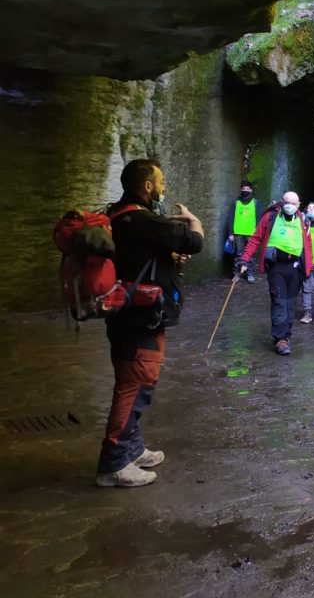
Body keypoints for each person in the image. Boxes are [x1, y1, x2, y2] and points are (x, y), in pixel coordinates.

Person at [96, 158, 204, 488]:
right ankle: (113, 465)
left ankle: (132, 448)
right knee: (136, 385)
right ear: (147, 186)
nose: (164, 187)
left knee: (135, 379)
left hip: (126, 314)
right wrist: (194, 221)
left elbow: (137, 258)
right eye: (161, 182)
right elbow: (193, 242)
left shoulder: (116, 216)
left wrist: (168, 259)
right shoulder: (144, 221)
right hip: (140, 317)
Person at [237, 191, 313, 356]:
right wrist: (244, 259)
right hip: (276, 267)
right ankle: (280, 340)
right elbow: (256, 238)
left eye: (294, 203)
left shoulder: (303, 220)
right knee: (279, 302)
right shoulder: (270, 218)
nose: (290, 206)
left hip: (295, 268)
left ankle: (286, 335)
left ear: (299, 205)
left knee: (290, 304)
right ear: (281, 202)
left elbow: (308, 245)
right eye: (287, 202)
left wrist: (309, 268)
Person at [226, 180, 259, 283]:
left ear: (251, 190)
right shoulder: (236, 202)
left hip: (251, 234)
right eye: (243, 189)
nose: (245, 191)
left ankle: (250, 273)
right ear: (240, 189)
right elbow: (230, 218)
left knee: (251, 255)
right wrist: (230, 233)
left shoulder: (256, 203)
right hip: (238, 233)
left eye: (247, 189)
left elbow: (259, 219)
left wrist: (258, 233)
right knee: (238, 255)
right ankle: (237, 274)